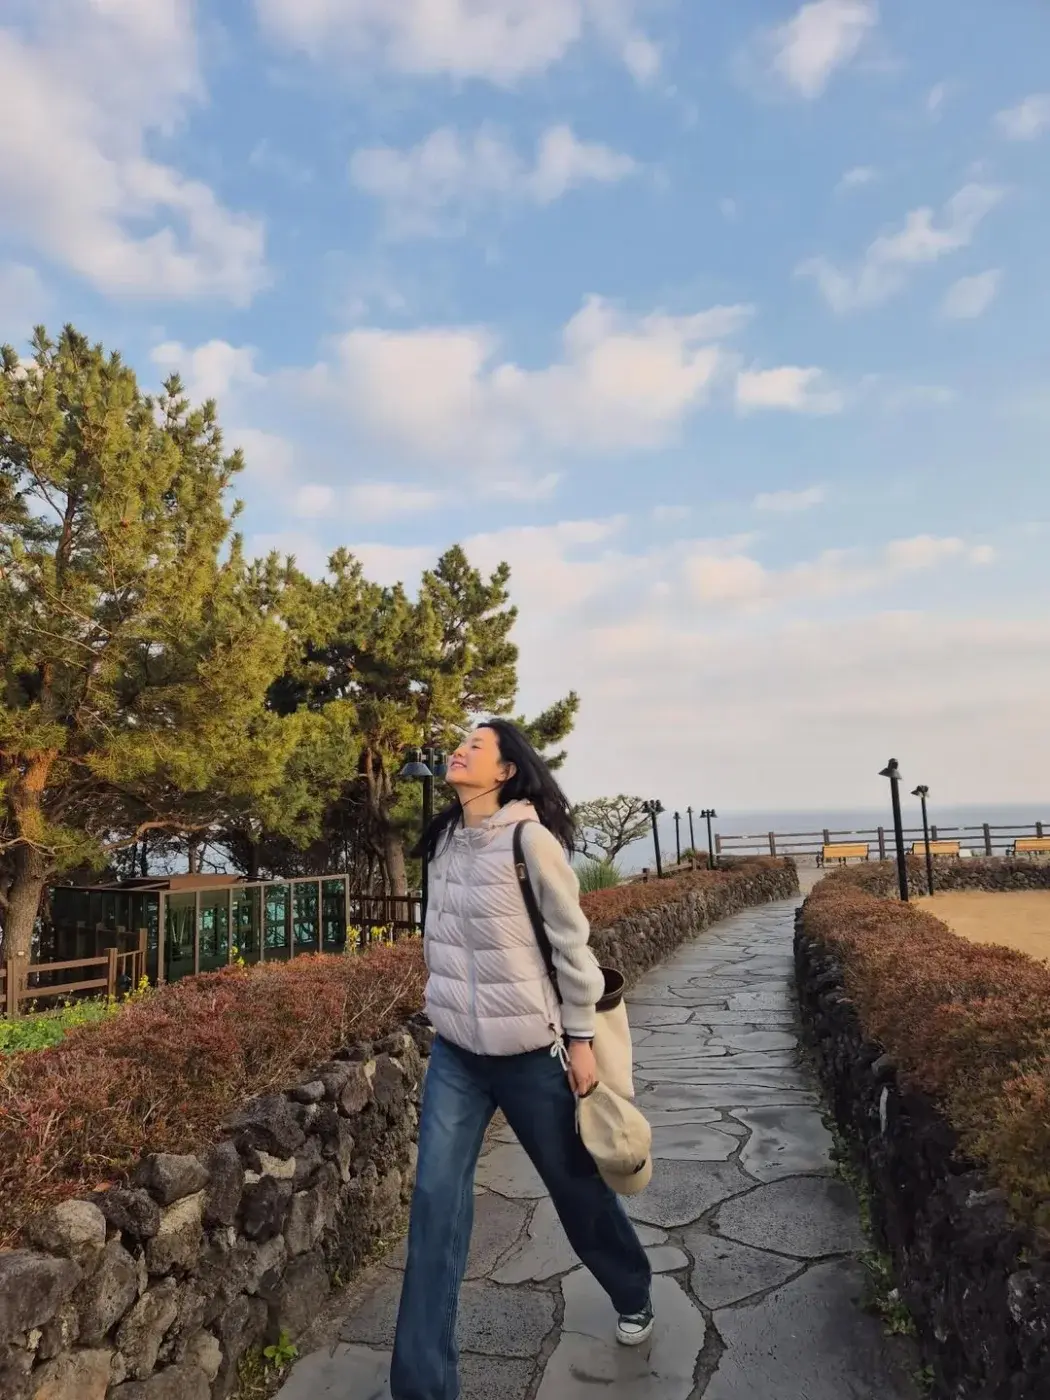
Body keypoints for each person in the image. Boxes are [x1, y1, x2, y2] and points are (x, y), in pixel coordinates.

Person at [390, 719, 654, 1400]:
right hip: (456, 1056)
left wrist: (581, 1041)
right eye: (462, 742)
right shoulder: (443, 841)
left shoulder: (529, 841)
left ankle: (632, 1287)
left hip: (534, 1055)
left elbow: (572, 947)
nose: (460, 750)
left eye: (476, 745)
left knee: (576, 1188)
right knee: (435, 1205)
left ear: (506, 771)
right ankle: (423, 1387)